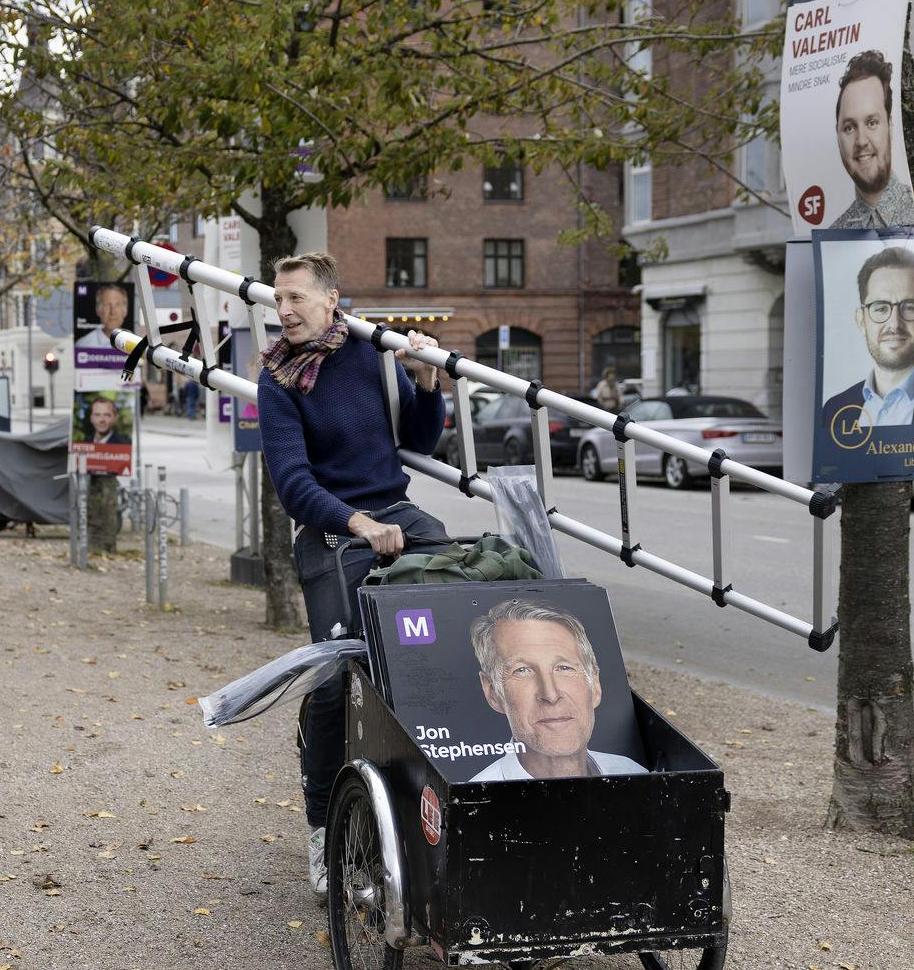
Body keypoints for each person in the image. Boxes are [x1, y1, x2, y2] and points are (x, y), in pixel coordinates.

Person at [255, 250, 450, 895]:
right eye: (277, 300)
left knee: (456, 619)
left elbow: (421, 443)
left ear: (331, 299)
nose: (283, 312)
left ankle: (446, 809)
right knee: (339, 677)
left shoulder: (371, 348)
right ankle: (322, 833)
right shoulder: (277, 377)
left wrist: (424, 383)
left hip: (398, 513)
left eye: (295, 299)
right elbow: (292, 483)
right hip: (332, 533)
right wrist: (356, 522)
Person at [467, 600, 646, 781]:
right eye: (522, 670)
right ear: (492, 693)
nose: (550, 695)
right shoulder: (469, 802)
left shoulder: (635, 775)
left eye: (564, 668)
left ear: (595, 685)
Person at [820, 245, 914, 428]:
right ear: (861, 321)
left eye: (909, 307)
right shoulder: (834, 410)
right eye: (880, 308)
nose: (895, 324)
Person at [828, 50, 914, 230]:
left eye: (872, 123)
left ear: (890, 126)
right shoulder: (834, 236)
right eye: (849, 127)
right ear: (837, 135)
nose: (861, 141)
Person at [76, 285, 130, 351]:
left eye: (117, 305)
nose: (112, 312)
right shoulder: (83, 345)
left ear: (125, 310)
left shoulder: (136, 342)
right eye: (107, 305)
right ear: (98, 310)